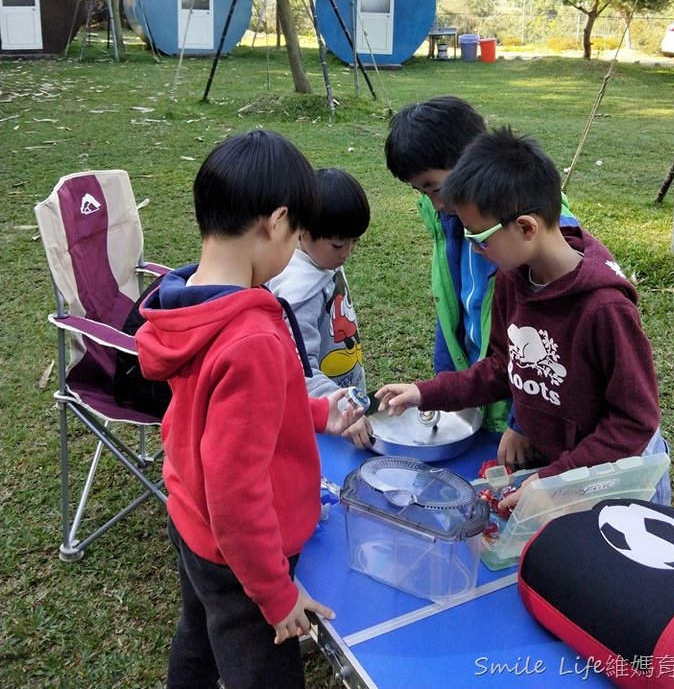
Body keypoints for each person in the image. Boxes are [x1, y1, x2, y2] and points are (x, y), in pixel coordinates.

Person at [136, 130, 364, 689]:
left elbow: (212, 419)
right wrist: (275, 592)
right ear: (278, 221)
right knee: (261, 670)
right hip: (240, 554)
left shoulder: (185, 299)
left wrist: (314, 414)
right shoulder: (251, 337)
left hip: (189, 519)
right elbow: (236, 493)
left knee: (199, 633)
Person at [376, 127, 671, 508]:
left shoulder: (604, 309)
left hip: (614, 482)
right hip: (561, 472)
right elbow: (503, 366)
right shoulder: (514, 278)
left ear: (526, 227)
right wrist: (425, 392)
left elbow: (634, 422)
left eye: (479, 238)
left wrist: (553, 481)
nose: (474, 249)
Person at [384, 95, 576, 432]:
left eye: (437, 188)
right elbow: (453, 309)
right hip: (484, 383)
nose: (438, 204)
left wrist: (521, 424)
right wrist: (444, 386)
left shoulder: (525, 238)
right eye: (423, 193)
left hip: (525, 403)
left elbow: (546, 349)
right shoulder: (452, 219)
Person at [268, 167, 372, 449]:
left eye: (355, 242)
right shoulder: (297, 294)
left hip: (345, 404)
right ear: (303, 232)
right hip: (325, 418)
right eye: (339, 243)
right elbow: (301, 372)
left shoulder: (324, 261)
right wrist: (341, 408)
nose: (347, 252)